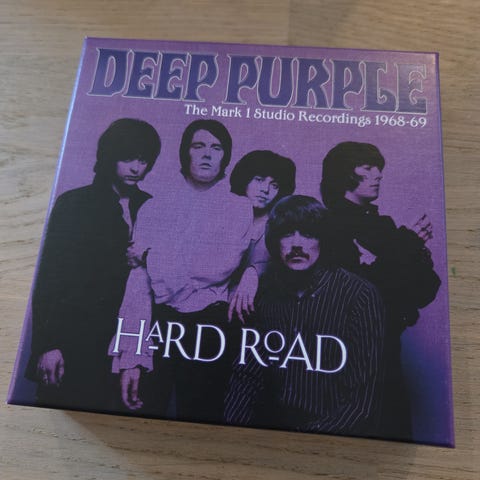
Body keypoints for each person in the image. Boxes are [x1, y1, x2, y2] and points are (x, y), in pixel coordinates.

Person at [113, 119, 253, 422]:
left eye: (216, 148)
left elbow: (215, 268)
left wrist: (150, 255)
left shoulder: (239, 208)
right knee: (142, 416)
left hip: (210, 327)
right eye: (198, 146)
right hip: (158, 326)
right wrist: (131, 358)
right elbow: (138, 284)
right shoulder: (153, 207)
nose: (207, 154)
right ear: (184, 153)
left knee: (202, 420)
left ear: (225, 157)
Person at [26, 118, 161, 410]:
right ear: (110, 156)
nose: (136, 168)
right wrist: (48, 345)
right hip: (75, 338)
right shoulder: (74, 203)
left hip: (127, 341)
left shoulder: (151, 205)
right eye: (128, 158)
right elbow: (49, 279)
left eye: (143, 160)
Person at [225, 195, 386, 437]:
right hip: (267, 432)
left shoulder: (359, 296)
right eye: (287, 234)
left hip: (330, 437)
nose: (297, 245)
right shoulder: (265, 293)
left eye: (308, 234)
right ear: (275, 242)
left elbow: (362, 404)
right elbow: (247, 377)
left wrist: (301, 442)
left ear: (323, 239)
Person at [320, 141, 441, 440]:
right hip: (349, 355)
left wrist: (402, 255)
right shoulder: (329, 225)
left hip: (388, 349)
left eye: (378, 168)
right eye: (368, 167)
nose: (378, 174)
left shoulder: (383, 226)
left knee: (392, 435)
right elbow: (356, 293)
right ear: (345, 173)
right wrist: (408, 247)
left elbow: (427, 287)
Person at [228, 150, 296, 321]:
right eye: (259, 180)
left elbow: (278, 262)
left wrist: (254, 272)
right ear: (245, 180)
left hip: (259, 313)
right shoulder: (223, 216)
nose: (265, 190)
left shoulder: (280, 226)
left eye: (274, 185)